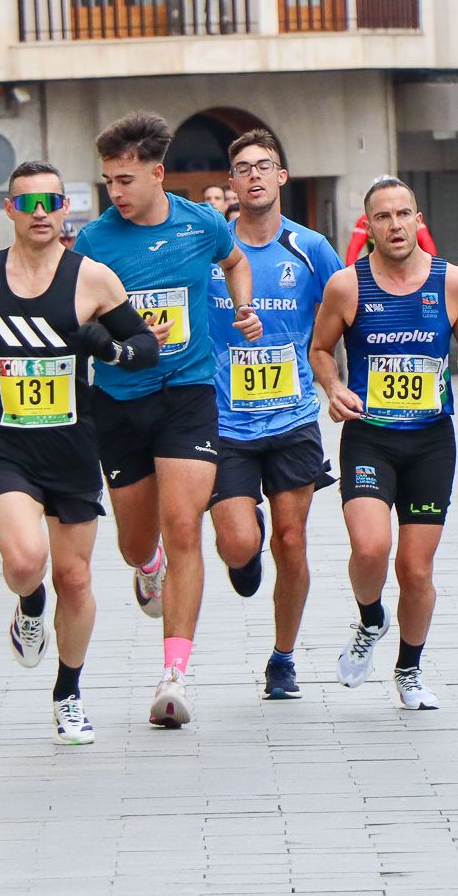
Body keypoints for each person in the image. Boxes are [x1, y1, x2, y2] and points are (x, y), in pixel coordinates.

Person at [0, 162, 160, 745]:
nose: (41, 211)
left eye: (51, 200)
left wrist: (110, 350)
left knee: (75, 578)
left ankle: (68, 693)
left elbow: (143, 347)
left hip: (72, 446)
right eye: (28, 202)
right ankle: (27, 604)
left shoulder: (93, 279)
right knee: (25, 561)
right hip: (6, 446)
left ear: (64, 208)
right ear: (10, 210)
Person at [72, 111, 261, 728]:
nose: (116, 193)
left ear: (158, 174)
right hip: (121, 401)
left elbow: (235, 262)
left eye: (125, 179)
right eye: (107, 182)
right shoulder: (95, 242)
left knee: (184, 527)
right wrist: (117, 336)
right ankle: (147, 569)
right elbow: (73, 318)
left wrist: (242, 308)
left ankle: (174, 675)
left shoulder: (201, 222)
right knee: (136, 544)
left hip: (187, 391)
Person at [308, 177, 458, 712]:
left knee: (415, 568)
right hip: (370, 436)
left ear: (418, 220)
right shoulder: (347, 286)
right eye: (383, 217)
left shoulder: (454, 282)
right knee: (370, 548)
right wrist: (334, 387)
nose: (395, 225)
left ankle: (409, 669)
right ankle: (370, 619)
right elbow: (320, 348)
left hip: (431, 440)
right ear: (369, 228)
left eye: (403, 214)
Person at [205, 130, 342, 700]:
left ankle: (283, 657)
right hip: (224, 421)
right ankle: (244, 552)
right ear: (232, 184)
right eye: (243, 168)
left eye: (265, 165)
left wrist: (341, 387)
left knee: (292, 540)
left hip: (292, 419)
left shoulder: (311, 249)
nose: (255, 175)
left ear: (282, 178)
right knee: (239, 545)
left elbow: (346, 318)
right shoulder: (211, 250)